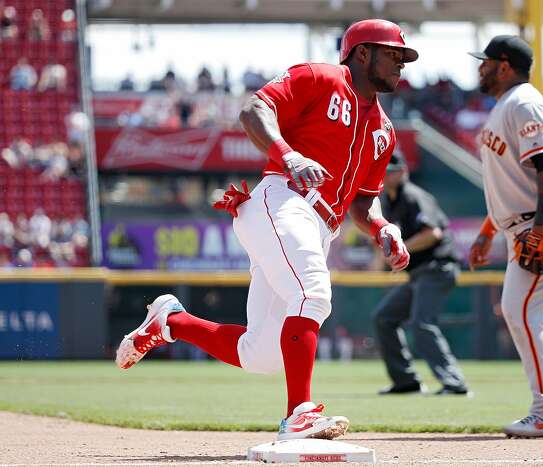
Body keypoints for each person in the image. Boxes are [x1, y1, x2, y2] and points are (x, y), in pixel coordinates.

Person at [115, 19, 417, 441]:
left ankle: (170, 321)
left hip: (320, 225)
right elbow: (253, 109)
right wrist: (289, 154)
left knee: (261, 354)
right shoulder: (320, 76)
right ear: (362, 52)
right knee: (312, 292)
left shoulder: (383, 129)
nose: (401, 63)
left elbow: (363, 201)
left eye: (403, 56)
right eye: (393, 53)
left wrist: (383, 226)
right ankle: (299, 415)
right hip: (283, 201)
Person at [468, 35, 543, 438]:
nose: (480, 68)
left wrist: (541, 224)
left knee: (520, 310)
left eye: (485, 62)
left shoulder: (523, 102)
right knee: (541, 317)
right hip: (525, 221)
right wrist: (488, 232)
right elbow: (511, 182)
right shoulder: (507, 106)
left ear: (503, 65)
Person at [373, 152, 468, 396]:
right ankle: (406, 381)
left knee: (421, 323)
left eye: (390, 171)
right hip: (419, 274)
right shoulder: (388, 200)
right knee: (384, 318)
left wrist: (401, 246)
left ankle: (454, 383)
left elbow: (432, 234)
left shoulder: (413, 196)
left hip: (438, 269)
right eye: (383, 171)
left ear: (402, 172)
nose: (386, 176)